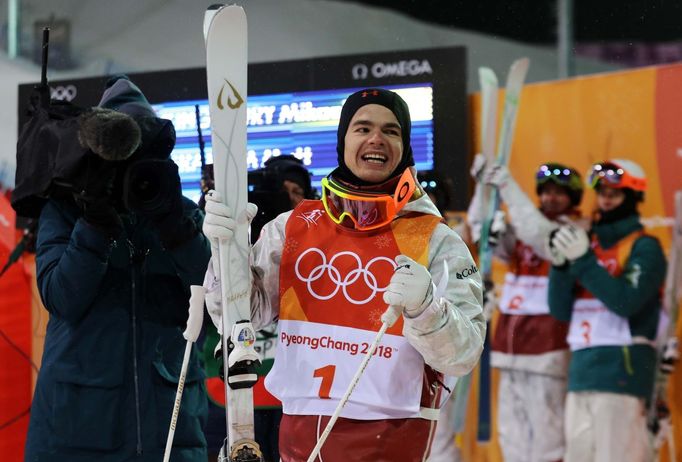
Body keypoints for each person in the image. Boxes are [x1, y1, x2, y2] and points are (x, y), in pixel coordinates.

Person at [202, 88, 486, 461]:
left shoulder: (435, 240)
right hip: (299, 438)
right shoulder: (294, 226)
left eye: (391, 131)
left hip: (390, 441)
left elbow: (462, 356)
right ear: (343, 140)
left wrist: (426, 307)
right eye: (362, 127)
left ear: (404, 148)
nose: (376, 139)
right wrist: (225, 251)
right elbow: (239, 315)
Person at [25, 76, 211, 461]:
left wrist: (177, 230)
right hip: (76, 432)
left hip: (170, 431)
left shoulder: (182, 213)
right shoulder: (65, 210)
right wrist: (95, 222)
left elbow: (214, 307)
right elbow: (62, 298)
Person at [467, 157, 585, 462]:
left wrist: (506, 184)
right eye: (545, 191)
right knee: (513, 436)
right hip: (511, 342)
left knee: (547, 437)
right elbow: (479, 233)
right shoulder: (526, 223)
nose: (550, 198)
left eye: (559, 193)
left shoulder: (577, 229)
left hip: (548, 346)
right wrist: (482, 187)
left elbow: (539, 235)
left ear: (573, 197)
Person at [547, 159, 666, 462]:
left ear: (633, 196)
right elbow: (560, 311)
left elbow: (625, 302)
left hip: (622, 375)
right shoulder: (588, 243)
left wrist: (584, 260)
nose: (606, 198)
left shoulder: (644, 247)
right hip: (582, 372)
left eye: (616, 192)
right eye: (601, 191)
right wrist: (560, 267)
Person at [201, 154, 316, 462]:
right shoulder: (246, 227)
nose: (290, 200)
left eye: (297, 191)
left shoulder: (317, 240)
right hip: (230, 384)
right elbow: (213, 300)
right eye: (283, 191)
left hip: (292, 390)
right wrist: (222, 240)